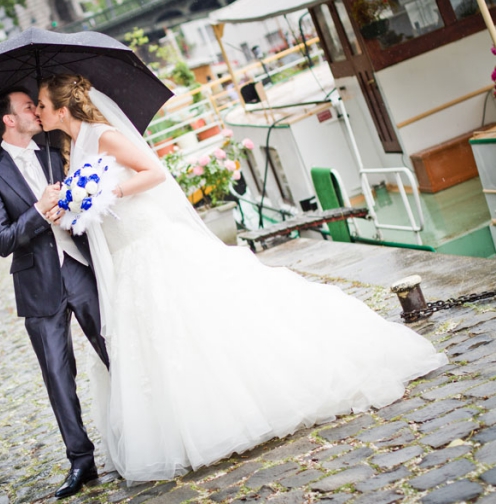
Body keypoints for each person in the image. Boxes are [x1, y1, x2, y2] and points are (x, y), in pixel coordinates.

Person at [36, 74, 448, 482]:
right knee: (159, 336)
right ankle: (195, 420)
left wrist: (107, 195)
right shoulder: (73, 146)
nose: (37, 112)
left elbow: (153, 172)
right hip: (123, 256)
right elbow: (90, 206)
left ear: (60, 108)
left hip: (148, 240)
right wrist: (68, 207)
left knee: (203, 317)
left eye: (40, 105)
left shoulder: (103, 135)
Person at [0, 85, 109, 498]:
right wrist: (37, 211)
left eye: (36, 105)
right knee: (57, 375)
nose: (36, 111)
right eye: (27, 107)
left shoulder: (56, 150)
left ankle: (146, 430)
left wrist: (72, 207)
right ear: (8, 120)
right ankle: (81, 461)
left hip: (82, 269)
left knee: (114, 348)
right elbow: (0, 240)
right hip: (38, 285)